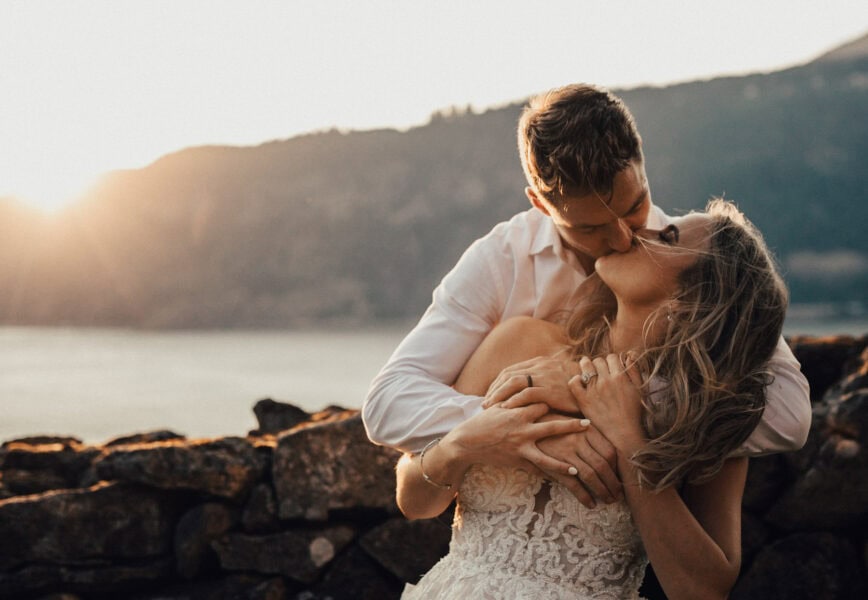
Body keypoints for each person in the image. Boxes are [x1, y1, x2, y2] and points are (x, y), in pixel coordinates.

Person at [363, 84, 810, 505]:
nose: (621, 239)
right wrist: (525, 427)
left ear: (642, 165)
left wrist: (602, 398)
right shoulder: (501, 259)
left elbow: (789, 415)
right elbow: (388, 402)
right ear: (540, 204)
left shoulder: (691, 265)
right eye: (591, 227)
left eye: (633, 207)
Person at [397, 199, 788, 598]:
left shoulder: (707, 412)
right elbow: (413, 500)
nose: (639, 231)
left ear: (694, 301)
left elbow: (703, 590)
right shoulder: (521, 343)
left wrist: (628, 439)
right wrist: (465, 442)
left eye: (668, 237)